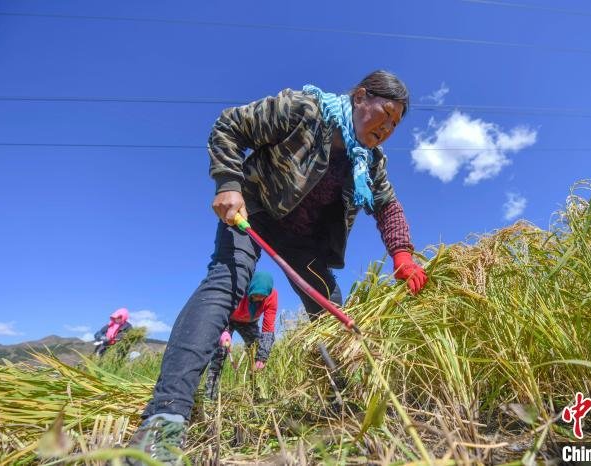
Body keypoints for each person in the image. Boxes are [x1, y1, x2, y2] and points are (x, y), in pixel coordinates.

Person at [125, 70, 428, 464]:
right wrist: (228, 183)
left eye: (394, 124)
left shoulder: (368, 161)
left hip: (304, 241)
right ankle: (164, 419)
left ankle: (345, 403)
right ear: (359, 97)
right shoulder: (304, 110)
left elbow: (387, 205)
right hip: (254, 210)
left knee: (330, 311)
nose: (386, 128)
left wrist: (402, 254)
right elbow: (230, 125)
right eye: (384, 113)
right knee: (226, 282)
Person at [204, 271, 278, 400]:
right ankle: (210, 395)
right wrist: (224, 331)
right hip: (229, 319)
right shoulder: (238, 288)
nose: (259, 299)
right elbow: (222, 309)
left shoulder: (272, 296)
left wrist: (262, 357)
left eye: (262, 296)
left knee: (258, 348)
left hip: (249, 322)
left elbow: (268, 328)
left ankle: (256, 393)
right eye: (256, 295)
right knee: (219, 353)